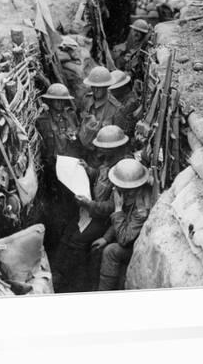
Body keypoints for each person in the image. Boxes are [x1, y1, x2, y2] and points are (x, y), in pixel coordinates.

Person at [51, 125, 132, 293]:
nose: (99, 150)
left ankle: (75, 281)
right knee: (68, 231)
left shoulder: (124, 169)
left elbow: (113, 206)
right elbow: (100, 176)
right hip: (92, 210)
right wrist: (89, 170)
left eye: (103, 147)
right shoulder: (108, 160)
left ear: (114, 148)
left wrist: (89, 204)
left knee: (77, 240)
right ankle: (57, 273)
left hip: (104, 220)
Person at [35, 83, 82, 255]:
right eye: (57, 101)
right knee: (55, 207)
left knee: (73, 203)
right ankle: (55, 242)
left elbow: (78, 141)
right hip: (52, 172)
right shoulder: (42, 121)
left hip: (71, 167)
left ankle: (71, 240)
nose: (60, 105)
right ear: (51, 101)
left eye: (63, 101)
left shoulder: (71, 116)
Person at [96, 158, 153, 291]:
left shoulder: (142, 209)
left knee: (111, 251)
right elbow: (125, 220)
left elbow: (124, 239)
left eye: (120, 187)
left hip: (135, 246)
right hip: (127, 234)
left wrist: (118, 209)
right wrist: (106, 238)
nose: (116, 189)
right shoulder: (131, 193)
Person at [78, 66, 122, 166]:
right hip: (84, 153)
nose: (96, 90)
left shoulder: (115, 108)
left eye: (100, 87)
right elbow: (80, 120)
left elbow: (118, 142)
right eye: (93, 86)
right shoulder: (86, 99)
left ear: (107, 86)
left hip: (102, 159)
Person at [109, 70, 140, 137]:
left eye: (113, 89)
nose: (111, 92)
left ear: (122, 88)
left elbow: (118, 128)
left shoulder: (129, 104)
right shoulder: (129, 100)